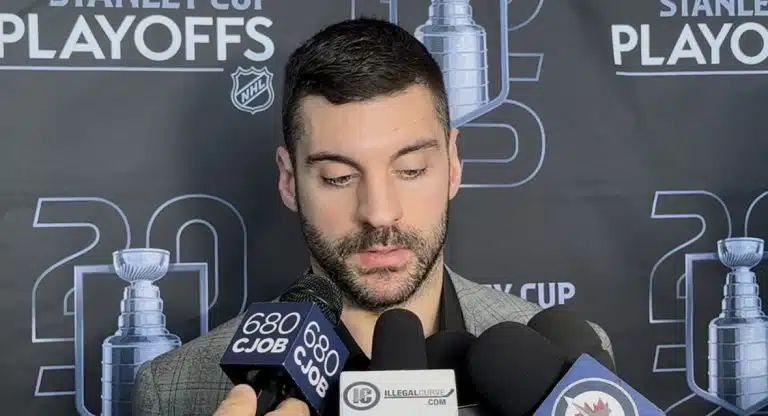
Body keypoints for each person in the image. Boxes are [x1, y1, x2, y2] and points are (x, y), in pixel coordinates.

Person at [133, 17, 614, 416]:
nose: (379, 213)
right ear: (289, 180)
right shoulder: (177, 388)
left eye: (411, 170)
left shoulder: (571, 372)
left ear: (453, 165)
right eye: (339, 177)